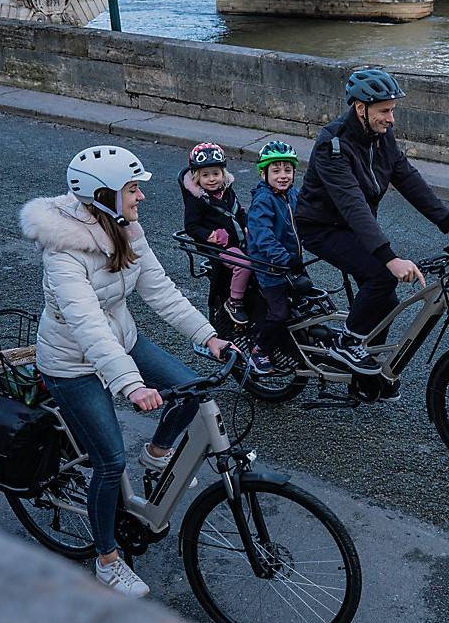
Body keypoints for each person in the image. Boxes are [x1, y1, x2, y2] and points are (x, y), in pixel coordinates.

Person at [20, 145, 235, 598]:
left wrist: (209, 335)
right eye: (133, 189)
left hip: (122, 340)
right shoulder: (63, 253)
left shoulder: (125, 228)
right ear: (103, 195)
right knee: (109, 461)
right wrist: (130, 384)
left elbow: (161, 291)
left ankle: (157, 455)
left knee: (188, 391)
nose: (141, 197)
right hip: (71, 363)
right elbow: (87, 324)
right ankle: (107, 559)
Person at [295, 68, 449, 399]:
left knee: (385, 298)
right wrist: (389, 258)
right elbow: (353, 207)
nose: (392, 119)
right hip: (323, 228)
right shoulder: (331, 145)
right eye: (385, 111)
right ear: (361, 108)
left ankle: (366, 374)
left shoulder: (381, 137)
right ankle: (346, 342)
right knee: (381, 276)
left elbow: (407, 178)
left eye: (392, 110)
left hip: (354, 227)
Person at [246, 140, 305, 373]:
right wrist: (283, 257)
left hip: (290, 262)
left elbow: (307, 216)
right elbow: (262, 235)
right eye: (276, 170)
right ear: (264, 173)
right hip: (270, 266)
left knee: (309, 300)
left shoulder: (292, 194)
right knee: (279, 312)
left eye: (288, 170)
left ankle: (295, 343)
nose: (283, 175)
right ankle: (259, 351)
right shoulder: (263, 200)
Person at [180, 142, 252, 326]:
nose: (211, 179)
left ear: (223, 173)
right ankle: (234, 302)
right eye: (205, 175)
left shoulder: (227, 192)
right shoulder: (196, 200)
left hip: (238, 239)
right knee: (243, 265)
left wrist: (249, 225)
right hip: (218, 246)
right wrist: (212, 235)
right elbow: (191, 226)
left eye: (216, 174)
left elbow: (238, 211)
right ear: (196, 177)